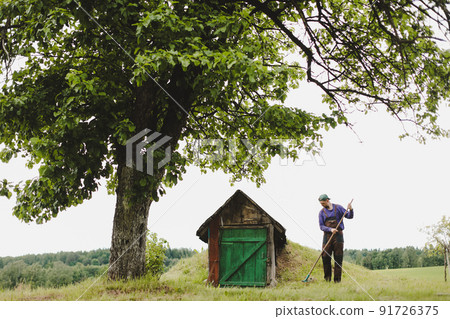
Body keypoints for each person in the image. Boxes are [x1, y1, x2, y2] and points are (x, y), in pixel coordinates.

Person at [318, 194, 354, 283]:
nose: (322, 205)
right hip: (327, 237)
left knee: (338, 259)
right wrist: (330, 229)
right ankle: (327, 280)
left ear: (327, 200)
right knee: (325, 258)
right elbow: (321, 226)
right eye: (321, 204)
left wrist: (351, 209)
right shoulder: (321, 212)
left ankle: (337, 281)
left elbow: (350, 216)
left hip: (338, 236)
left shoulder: (338, 208)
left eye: (323, 203)